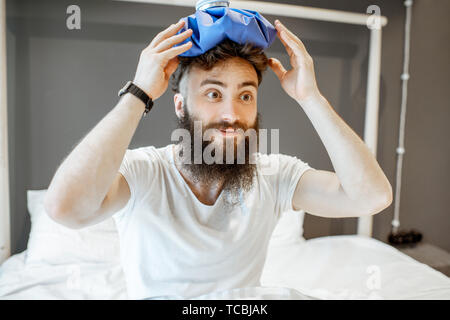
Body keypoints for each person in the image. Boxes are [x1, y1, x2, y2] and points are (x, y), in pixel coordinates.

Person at [44, 20, 393, 299]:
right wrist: (139, 93)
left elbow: (371, 196)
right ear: (180, 104)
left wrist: (310, 97)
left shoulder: (275, 174)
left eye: (245, 95)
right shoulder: (143, 172)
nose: (231, 113)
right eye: (213, 93)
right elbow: (65, 208)